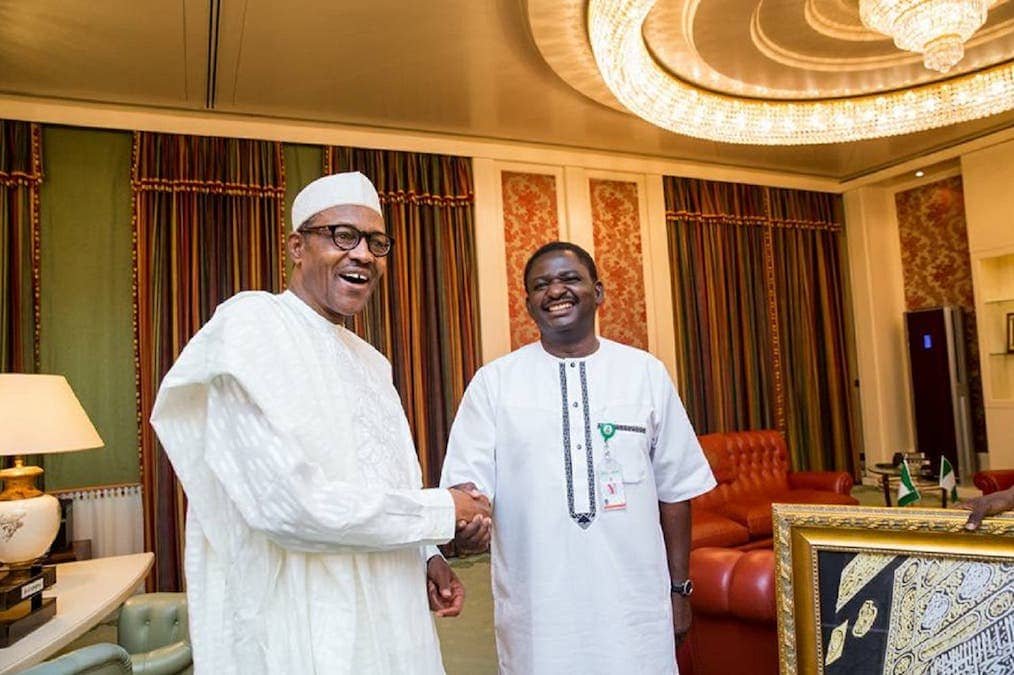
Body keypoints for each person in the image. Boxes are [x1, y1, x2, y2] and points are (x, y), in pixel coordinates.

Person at [151, 172, 490, 674]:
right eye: (342, 236)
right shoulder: (251, 326)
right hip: (302, 618)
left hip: (392, 613)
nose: (363, 255)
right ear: (296, 247)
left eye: (376, 243)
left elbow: (387, 481)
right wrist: (444, 508)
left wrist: (425, 556)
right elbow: (286, 506)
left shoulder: (372, 362)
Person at [440, 241, 717, 674]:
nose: (555, 291)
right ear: (529, 304)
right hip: (538, 610)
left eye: (569, 279)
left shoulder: (645, 373)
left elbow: (675, 490)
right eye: (541, 285)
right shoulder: (494, 383)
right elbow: (468, 488)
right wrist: (471, 525)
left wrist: (679, 589)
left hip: (635, 606)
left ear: (599, 292)